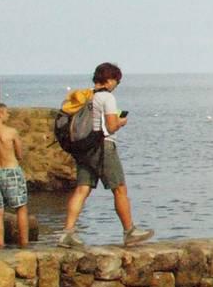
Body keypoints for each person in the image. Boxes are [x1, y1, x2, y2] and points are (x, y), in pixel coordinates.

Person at [58, 63, 154, 248]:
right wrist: (121, 122)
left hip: (84, 148)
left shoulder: (85, 97)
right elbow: (110, 127)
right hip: (103, 147)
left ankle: (67, 233)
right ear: (109, 80)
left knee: (81, 189)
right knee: (119, 189)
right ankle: (129, 231)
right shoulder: (106, 98)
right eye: (117, 81)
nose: (116, 84)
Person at [0, 104, 26, 247]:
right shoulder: (11, 132)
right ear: (0, 113)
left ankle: (0, 245)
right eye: (7, 113)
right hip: (11, 170)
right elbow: (20, 155)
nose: (9, 115)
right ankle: (24, 244)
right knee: (20, 208)